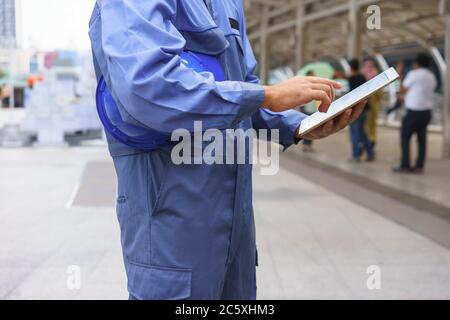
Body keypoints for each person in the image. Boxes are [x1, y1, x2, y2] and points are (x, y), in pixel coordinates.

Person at [89, 0, 365, 300]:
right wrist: (268, 95)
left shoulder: (228, 3)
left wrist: (299, 125)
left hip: (234, 225)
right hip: (170, 218)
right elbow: (146, 85)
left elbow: (243, 89)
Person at [393, 54, 437, 174]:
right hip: (426, 112)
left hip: (414, 112)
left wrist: (400, 74)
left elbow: (403, 89)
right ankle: (419, 166)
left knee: (405, 138)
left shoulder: (414, 74)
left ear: (417, 63)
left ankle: (405, 165)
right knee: (422, 140)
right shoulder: (431, 76)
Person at [348, 59, 375, 162]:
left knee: (354, 132)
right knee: (362, 132)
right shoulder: (362, 77)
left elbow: (351, 95)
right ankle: (370, 153)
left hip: (356, 109)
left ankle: (356, 155)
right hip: (366, 108)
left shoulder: (352, 78)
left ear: (350, 68)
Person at [362, 59, 383, 149]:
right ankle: (372, 141)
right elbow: (380, 94)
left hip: (366, 107)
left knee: (366, 125)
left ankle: (367, 143)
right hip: (374, 107)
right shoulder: (377, 78)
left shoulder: (363, 77)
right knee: (372, 125)